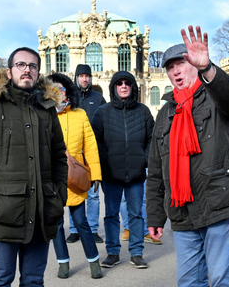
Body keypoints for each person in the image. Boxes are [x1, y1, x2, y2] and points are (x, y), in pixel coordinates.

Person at [146, 26, 229, 287]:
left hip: (219, 204)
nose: (176, 71)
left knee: (221, 280)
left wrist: (208, 69)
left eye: (181, 62)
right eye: (170, 67)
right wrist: (155, 216)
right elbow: (156, 168)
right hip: (182, 211)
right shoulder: (165, 113)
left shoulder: (217, 97)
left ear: (194, 63)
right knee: (188, 281)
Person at [0, 47, 68, 287]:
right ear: (9, 72)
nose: (27, 69)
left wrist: (59, 194)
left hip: (42, 211)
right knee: (0, 280)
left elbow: (59, 155)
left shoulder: (47, 109)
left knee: (33, 281)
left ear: (38, 73)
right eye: (21, 65)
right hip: (3, 214)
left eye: (32, 66)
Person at [91, 70, 154, 269]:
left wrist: (145, 159)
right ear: (114, 88)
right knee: (111, 215)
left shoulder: (143, 111)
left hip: (135, 173)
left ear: (133, 87)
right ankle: (112, 252)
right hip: (111, 173)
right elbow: (95, 141)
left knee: (136, 214)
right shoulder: (103, 112)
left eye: (127, 83)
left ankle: (136, 252)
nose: (124, 86)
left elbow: (152, 139)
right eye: (120, 83)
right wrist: (105, 160)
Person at [48, 73, 103, 279]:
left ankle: (94, 261)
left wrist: (95, 174)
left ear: (68, 92)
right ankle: (63, 263)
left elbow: (90, 146)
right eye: (56, 90)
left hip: (74, 177)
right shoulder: (44, 114)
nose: (60, 93)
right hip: (53, 178)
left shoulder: (80, 114)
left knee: (81, 222)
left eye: (63, 89)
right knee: (57, 224)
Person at [67, 64, 107, 244]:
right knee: (73, 190)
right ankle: (75, 229)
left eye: (87, 76)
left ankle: (92, 229)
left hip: (92, 152)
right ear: (76, 77)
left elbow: (106, 122)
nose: (84, 79)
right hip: (74, 152)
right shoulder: (70, 97)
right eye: (81, 76)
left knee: (93, 194)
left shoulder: (98, 98)